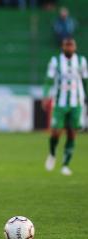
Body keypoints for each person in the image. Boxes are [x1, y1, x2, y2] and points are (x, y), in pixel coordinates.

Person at [43, 38, 87, 176]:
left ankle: (65, 165)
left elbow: (85, 80)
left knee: (72, 132)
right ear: (62, 47)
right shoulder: (55, 61)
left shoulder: (82, 61)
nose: (69, 48)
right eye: (67, 45)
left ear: (75, 47)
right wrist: (46, 95)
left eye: (71, 45)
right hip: (60, 103)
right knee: (56, 131)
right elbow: (49, 80)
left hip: (76, 103)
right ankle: (52, 153)